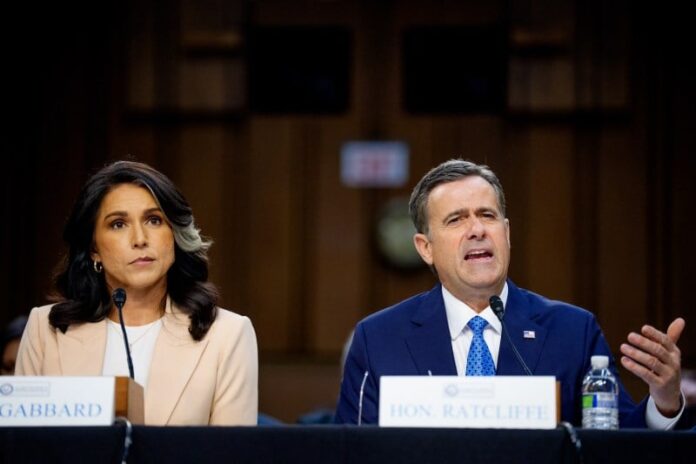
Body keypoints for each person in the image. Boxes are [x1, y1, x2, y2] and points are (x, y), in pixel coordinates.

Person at [335, 159, 685, 428]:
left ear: (506, 233)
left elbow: (619, 443)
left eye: (487, 215)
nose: (477, 230)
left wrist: (665, 402)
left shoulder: (573, 332)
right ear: (425, 248)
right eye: (456, 220)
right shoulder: (379, 339)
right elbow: (351, 451)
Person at [15, 160, 258, 425]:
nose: (140, 239)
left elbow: (231, 447)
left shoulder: (227, 335)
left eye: (154, 220)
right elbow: (24, 443)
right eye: (118, 224)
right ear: (94, 249)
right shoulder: (45, 330)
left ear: (174, 235)